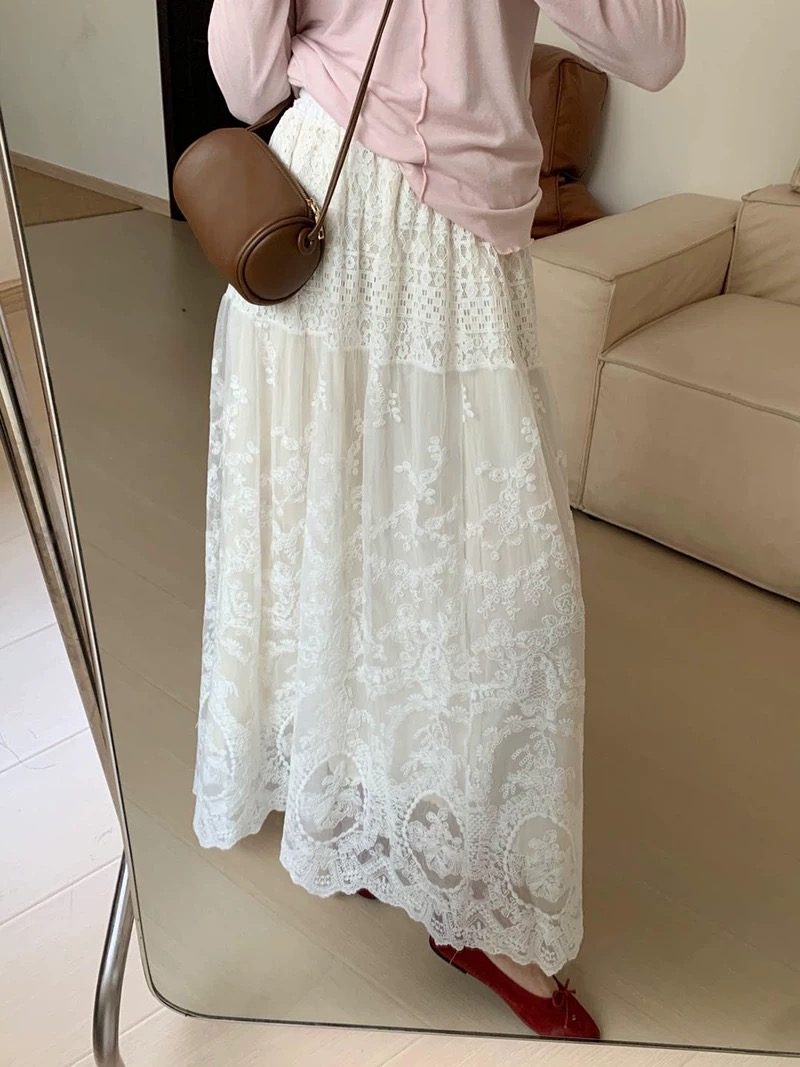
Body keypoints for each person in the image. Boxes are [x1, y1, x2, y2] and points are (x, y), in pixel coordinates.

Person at [193, 0, 686, 1041]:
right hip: (322, 221)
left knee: (510, 596)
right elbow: (243, 81)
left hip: (463, 256)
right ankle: (363, 817)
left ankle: (479, 905)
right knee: (335, 559)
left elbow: (653, 46)